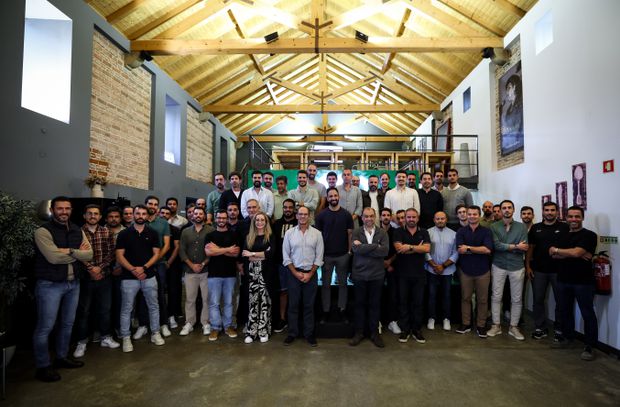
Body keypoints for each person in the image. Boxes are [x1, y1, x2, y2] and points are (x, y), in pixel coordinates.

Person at [33, 196, 92, 382]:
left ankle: (61, 357)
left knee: (67, 324)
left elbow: (89, 254)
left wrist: (69, 251)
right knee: (45, 327)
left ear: (71, 210)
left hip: (73, 284)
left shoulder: (77, 229)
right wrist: (77, 253)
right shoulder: (42, 231)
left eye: (67, 208)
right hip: (50, 285)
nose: (64, 212)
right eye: (60, 208)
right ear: (53, 210)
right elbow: (53, 258)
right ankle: (43, 366)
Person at [550, 206, 598, 361]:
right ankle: (567, 337)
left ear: (582, 217)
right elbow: (553, 254)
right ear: (566, 218)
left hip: (583, 282)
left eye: (577, 216)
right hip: (563, 279)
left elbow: (575, 253)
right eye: (570, 216)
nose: (573, 219)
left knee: (587, 313)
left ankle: (590, 346)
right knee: (565, 311)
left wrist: (561, 251)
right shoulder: (562, 235)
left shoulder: (589, 235)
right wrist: (574, 253)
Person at [115, 205, 164, 353]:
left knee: (153, 306)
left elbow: (156, 254)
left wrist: (144, 268)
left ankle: (155, 333)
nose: (140, 216)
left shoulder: (153, 233)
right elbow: (119, 255)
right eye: (138, 213)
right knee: (127, 309)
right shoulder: (124, 234)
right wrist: (133, 269)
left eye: (143, 213)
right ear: (133, 215)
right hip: (128, 278)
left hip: (149, 276)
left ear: (147, 216)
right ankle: (126, 337)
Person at [73, 204, 118, 359]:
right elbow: (76, 253)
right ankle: (82, 341)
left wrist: (100, 268)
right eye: (90, 213)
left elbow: (112, 253)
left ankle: (105, 337)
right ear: (84, 216)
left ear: (100, 217)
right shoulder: (77, 232)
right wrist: (91, 269)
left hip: (104, 276)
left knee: (105, 309)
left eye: (96, 214)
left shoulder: (107, 232)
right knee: (84, 311)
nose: (93, 216)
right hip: (85, 278)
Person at [282, 206, 324, 347]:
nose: (303, 216)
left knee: (309, 306)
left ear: (309, 216)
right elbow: (286, 256)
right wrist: (295, 273)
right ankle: (292, 333)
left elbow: (319, 257)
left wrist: (310, 273)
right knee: (293, 305)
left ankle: (309, 334)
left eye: (305, 214)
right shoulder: (289, 233)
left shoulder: (317, 234)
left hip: (311, 274)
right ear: (297, 216)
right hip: (293, 274)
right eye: (300, 214)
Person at [526, 201, 568, 340]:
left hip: (559, 271)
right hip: (539, 270)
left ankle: (559, 330)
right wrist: (528, 266)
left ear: (557, 212)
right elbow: (530, 248)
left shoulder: (564, 227)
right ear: (543, 211)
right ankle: (540, 328)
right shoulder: (536, 228)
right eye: (547, 210)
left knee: (561, 301)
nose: (549, 212)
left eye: (552, 210)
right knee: (538, 299)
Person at [488, 200, 528, 341]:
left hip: (517, 266)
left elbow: (524, 247)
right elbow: (496, 246)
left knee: (516, 298)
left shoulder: (521, 227)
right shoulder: (494, 227)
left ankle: (514, 327)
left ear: (513, 209)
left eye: (509, 207)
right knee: (496, 296)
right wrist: (516, 246)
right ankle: (496, 325)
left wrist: (510, 246)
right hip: (498, 265)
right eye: (504, 208)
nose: (506, 210)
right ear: (500, 210)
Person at [349, 207, 389, 347]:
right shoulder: (356, 232)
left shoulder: (382, 232)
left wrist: (364, 247)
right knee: (359, 305)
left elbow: (384, 251)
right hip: (360, 275)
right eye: (366, 216)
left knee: (375, 305)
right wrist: (375, 246)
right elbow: (355, 249)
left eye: (371, 216)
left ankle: (374, 333)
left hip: (376, 275)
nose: (369, 219)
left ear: (375, 216)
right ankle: (359, 333)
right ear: (362, 218)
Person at [134, 196, 171, 339]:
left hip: (159, 264)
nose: (153, 206)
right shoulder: (139, 222)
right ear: (145, 204)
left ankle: (163, 324)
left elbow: (166, 245)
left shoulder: (163, 223)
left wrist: (155, 259)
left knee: (160, 294)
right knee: (142, 295)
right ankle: (143, 325)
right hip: (140, 265)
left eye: (156, 204)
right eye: (150, 203)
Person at [315, 187, 354, 323]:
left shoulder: (346, 215)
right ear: (327, 198)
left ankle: (342, 310)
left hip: (343, 255)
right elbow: (318, 237)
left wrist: (349, 252)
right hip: (326, 256)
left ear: (339, 197)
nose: (333, 198)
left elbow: (350, 234)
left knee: (343, 285)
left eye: (335, 196)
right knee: (325, 285)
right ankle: (325, 311)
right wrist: (319, 255)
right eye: (330, 196)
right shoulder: (321, 215)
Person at [393, 208, 430, 344]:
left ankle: (417, 330)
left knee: (418, 303)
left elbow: (427, 249)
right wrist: (417, 248)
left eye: (413, 217)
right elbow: (399, 249)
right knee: (403, 303)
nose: (411, 219)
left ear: (417, 218)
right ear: (405, 218)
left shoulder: (424, 232)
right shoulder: (398, 232)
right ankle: (405, 330)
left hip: (419, 274)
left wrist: (408, 247)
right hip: (402, 274)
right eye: (408, 217)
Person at [455, 206, 493, 338]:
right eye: (469, 214)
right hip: (465, 270)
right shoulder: (461, 231)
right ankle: (466, 324)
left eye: (474, 214)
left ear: (479, 215)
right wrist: (478, 249)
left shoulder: (486, 231)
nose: (471, 216)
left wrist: (469, 248)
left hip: (483, 270)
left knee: (482, 300)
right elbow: (460, 250)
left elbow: (487, 249)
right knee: (465, 298)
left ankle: (481, 325)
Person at [205, 210, 241, 341]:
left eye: (224, 218)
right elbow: (209, 253)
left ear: (227, 219)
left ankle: (228, 326)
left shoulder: (234, 235)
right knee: (214, 303)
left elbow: (236, 254)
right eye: (219, 218)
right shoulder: (210, 235)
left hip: (230, 274)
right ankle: (215, 327)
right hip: (214, 274)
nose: (221, 220)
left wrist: (218, 249)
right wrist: (227, 249)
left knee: (229, 302)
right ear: (215, 219)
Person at [178, 207, 214, 336]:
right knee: (190, 299)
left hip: (206, 270)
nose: (198, 215)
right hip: (190, 270)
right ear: (192, 215)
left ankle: (206, 323)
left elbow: (213, 250)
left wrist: (203, 263)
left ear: (204, 216)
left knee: (206, 299)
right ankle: (189, 323)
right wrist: (191, 265)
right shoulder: (186, 231)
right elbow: (181, 250)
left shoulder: (211, 230)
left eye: (200, 213)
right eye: (196, 213)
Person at [241, 212, 275, 343]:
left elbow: (271, 254)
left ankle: (263, 331)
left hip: (266, 274)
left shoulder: (270, 236)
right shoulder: (249, 237)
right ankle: (251, 331)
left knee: (265, 303)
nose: (259, 222)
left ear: (266, 222)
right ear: (254, 222)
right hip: (251, 275)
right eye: (257, 220)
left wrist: (253, 253)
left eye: (262, 220)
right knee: (252, 303)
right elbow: (245, 256)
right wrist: (262, 254)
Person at [425, 211, 458, 331]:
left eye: (442, 218)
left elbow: (456, 252)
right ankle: (431, 318)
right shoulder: (428, 232)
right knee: (431, 295)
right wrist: (434, 265)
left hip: (447, 270)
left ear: (446, 219)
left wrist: (443, 266)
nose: (440, 221)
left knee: (446, 295)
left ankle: (446, 319)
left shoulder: (454, 234)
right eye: (438, 219)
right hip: (431, 269)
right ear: (434, 220)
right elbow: (425, 251)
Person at [272, 199, 297, 333]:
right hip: (280, 264)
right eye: (285, 207)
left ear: (294, 209)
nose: (287, 209)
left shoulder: (299, 223)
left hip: (297, 264)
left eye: (290, 207)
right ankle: (282, 319)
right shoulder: (276, 224)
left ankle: (295, 320)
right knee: (283, 292)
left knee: (295, 292)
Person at [159, 206, 183, 329]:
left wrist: (169, 262)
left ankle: (171, 315)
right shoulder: (153, 229)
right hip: (157, 264)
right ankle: (160, 317)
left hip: (172, 264)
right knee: (159, 291)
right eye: (162, 213)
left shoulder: (174, 229)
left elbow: (177, 247)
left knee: (173, 291)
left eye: (167, 213)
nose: (164, 215)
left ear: (170, 216)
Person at [380, 208, 400, 335]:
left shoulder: (396, 232)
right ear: (380, 217)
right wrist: (382, 263)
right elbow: (373, 249)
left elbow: (398, 250)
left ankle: (393, 321)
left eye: (388, 215)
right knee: (378, 294)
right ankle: (378, 321)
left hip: (392, 267)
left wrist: (389, 263)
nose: (386, 217)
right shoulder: (376, 231)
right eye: (384, 215)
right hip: (378, 267)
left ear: (391, 217)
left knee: (393, 295)